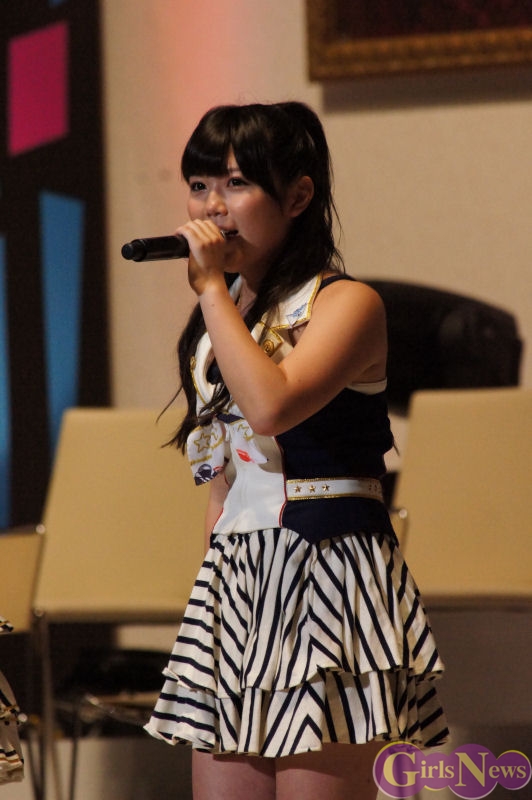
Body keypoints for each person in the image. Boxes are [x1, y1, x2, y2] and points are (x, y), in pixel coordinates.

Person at [145, 101, 448, 800]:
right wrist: (212, 594)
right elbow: (221, 478)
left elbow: (272, 406)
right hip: (239, 582)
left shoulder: (347, 304)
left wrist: (212, 291)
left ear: (298, 196)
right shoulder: (219, 318)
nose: (211, 207)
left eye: (235, 184)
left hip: (330, 574)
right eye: (198, 185)